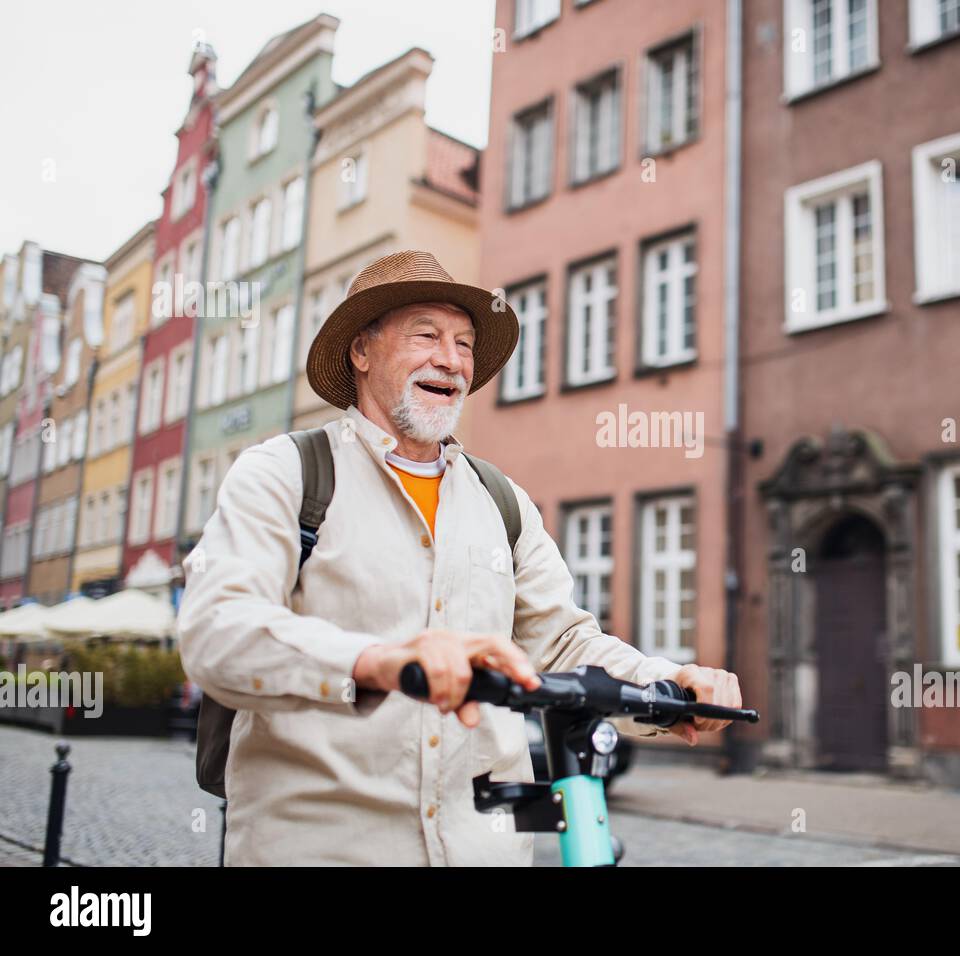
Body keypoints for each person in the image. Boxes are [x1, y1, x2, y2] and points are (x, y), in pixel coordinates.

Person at [177, 250, 744, 865]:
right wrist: (380, 662)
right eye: (426, 335)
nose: (450, 360)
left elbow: (562, 645)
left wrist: (669, 682)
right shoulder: (287, 473)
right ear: (360, 352)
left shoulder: (502, 502)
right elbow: (218, 631)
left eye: (465, 344)